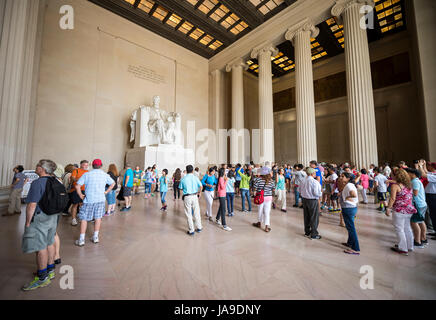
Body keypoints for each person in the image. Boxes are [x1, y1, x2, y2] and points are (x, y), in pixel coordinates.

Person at [21, 160, 59, 291]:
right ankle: (50, 270)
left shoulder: (38, 183)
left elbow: (31, 205)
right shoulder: (56, 181)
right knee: (49, 242)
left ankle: (42, 278)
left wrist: (27, 222)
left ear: (42, 169)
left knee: (39, 246)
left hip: (40, 218)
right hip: (53, 217)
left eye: (37, 165)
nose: (36, 167)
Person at [74, 159, 115, 246]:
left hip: (89, 200)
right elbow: (113, 183)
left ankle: (81, 239)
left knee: (84, 219)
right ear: (101, 165)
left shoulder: (87, 174)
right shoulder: (104, 175)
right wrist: (106, 192)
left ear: (92, 165)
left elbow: (77, 185)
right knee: (98, 217)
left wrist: (81, 195)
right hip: (100, 200)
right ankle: (95, 237)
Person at [385, 168, 416, 255]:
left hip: (399, 210)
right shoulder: (409, 185)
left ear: (396, 176)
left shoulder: (395, 186)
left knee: (399, 229)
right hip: (408, 209)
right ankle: (410, 246)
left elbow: (392, 198)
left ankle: (403, 248)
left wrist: (388, 208)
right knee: (407, 228)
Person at [405, 168, 428, 248]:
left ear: (413, 174)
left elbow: (415, 193)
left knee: (414, 222)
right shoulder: (416, 180)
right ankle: (424, 238)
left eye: (408, 173)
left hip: (417, 205)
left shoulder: (415, 181)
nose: (407, 175)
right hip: (421, 204)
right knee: (421, 221)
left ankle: (417, 241)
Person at [339, 172, 360, 255]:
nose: (341, 177)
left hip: (349, 208)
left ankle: (355, 248)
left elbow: (354, 195)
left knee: (351, 228)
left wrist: (347, 198)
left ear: (348, 178)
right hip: (349, 208)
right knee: (349, 227)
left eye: (343, 176)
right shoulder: (349, 184)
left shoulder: (349, 185)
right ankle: (350, 243)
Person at [179, 165, 203, 236]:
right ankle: (199, 227)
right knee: (196, 212)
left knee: (188, 214)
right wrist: (200, 192)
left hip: (187, 197)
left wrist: (183, 195)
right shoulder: (195, 178)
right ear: (192, 170)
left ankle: (191, 230)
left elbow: (180, 188)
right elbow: (201, 186)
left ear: (186, 171)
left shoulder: (183, 179)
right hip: (195, 196)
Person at [300, 167, 322, 240]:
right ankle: (314, 234)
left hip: (304, 200)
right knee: (314, 217)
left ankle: (307, 232)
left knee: (306, 216)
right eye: (315, 173)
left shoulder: (303, 180)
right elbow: (316, 193)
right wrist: (320, 193)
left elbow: (300, 190)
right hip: (312, 200)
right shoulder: (314, 182)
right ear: (312, 174)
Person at [252, 166, 275, 232]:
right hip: (268, 198)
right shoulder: (271, 180)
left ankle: (259, 223)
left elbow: (255, 188)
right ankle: (266, 227)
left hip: (260, 198)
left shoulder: (258, 179)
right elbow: (273, 189)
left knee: (260, 210)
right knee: (267, 212)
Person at [417, 160, 436, 239]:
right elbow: (426, 172)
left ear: (433, 167)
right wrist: (423, 165)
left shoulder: (435, 175)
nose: (429, 167)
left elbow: (424, 175)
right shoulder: (433, 173)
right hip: (430, 196)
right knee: (432, 214)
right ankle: (435, 230)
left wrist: (420, 166)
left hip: (434, 196)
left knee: (435, 214)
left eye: (430, 166)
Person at [69, 160, 89, 226]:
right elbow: (73, 178)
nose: (86, 166)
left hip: (85, 190)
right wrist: (81, 180)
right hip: (75, 190)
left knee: (83, 205)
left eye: (87, 165)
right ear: (81, 165)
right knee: (75, 204)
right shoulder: (76, 170)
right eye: (84, 165)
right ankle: (73, 219)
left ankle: (81, 217)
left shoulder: (88, 172)